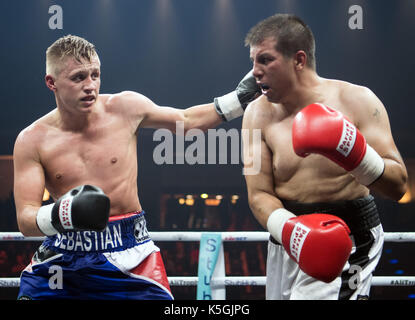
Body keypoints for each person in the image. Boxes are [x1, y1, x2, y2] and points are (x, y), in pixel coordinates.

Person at [13, 34, 260, 300]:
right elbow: (26, 219)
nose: (90, 86)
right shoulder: (32, 140)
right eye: (78, 78)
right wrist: (64, 214)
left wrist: (239, 99)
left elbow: (185, 120)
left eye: (95, 75)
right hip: (64, 258)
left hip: (131, 255)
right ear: (52, 83)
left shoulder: (125, 108)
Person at [242, 14, 408, 300]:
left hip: (347, 238)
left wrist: (354, 154)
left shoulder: (358, 101)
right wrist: (292, 232)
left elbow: (398, 186)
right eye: (253, 62)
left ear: (299, 60)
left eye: (266, 60)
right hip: (285, 240)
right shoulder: (256, 114)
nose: (255, 72)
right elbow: (258, 195)